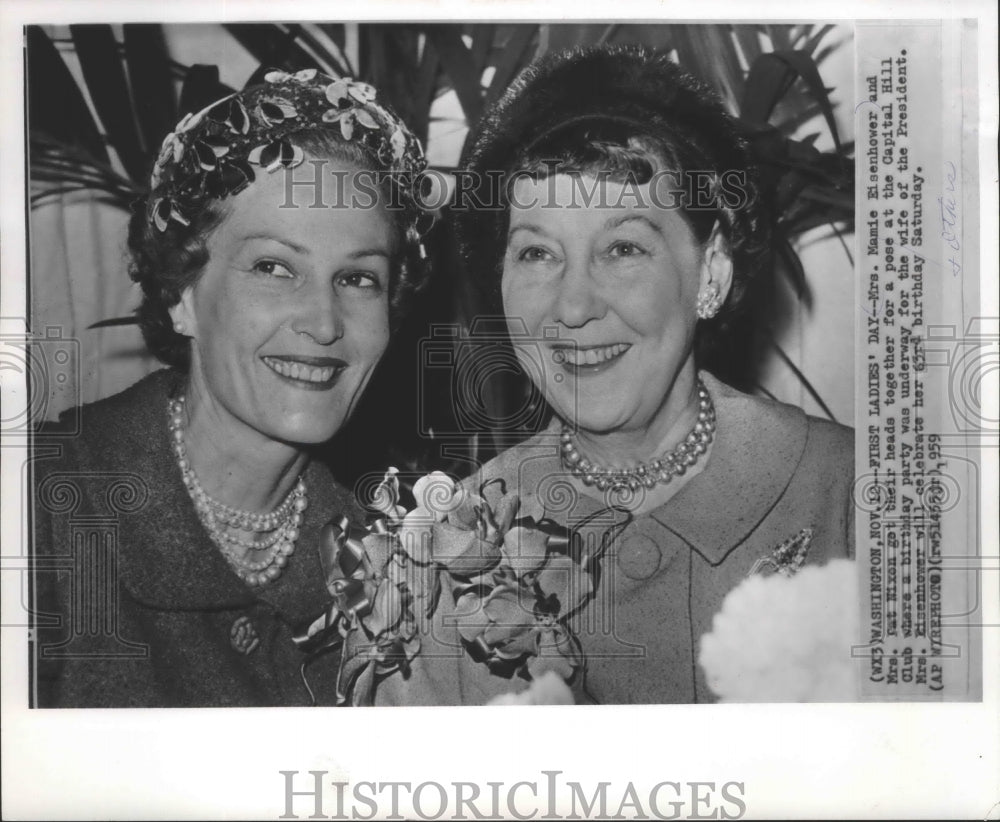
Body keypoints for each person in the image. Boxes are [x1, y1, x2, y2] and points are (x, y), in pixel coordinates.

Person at [381, 45, 854, 705]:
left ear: (710, 274)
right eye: (538, 253)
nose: (573, 306)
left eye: (624, 247)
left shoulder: (855, 496)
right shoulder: (450, 542)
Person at [31, 69, 430, 707]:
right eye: (274, 268)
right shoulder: (36, 510)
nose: (324, 323)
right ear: (180, 296)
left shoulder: (397, 559)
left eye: (358, 279)